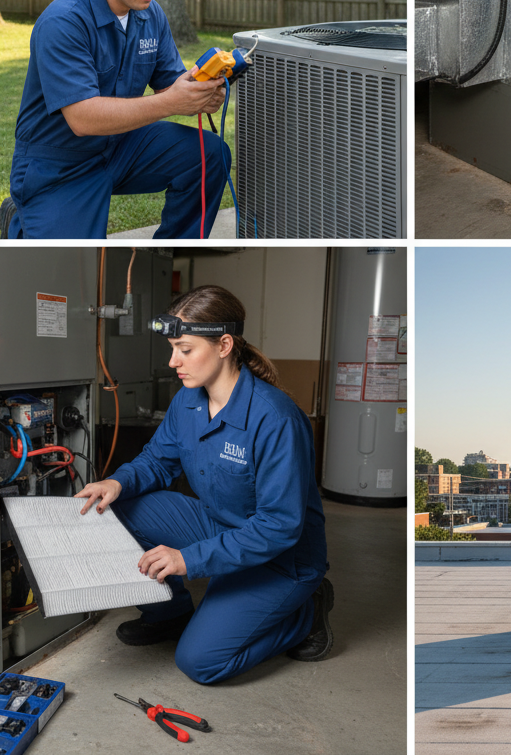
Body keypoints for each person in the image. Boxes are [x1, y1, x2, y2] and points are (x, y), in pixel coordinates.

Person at [74, 284, 332, 684]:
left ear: (224, 345)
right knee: (120, 505)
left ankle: (306, 615)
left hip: (281, 559)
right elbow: (158, 459)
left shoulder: (275, 419)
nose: (174, 361)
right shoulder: (188, 400)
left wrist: (188, 560)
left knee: (201, 662)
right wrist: (115, 481)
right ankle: (170, 611)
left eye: (185, 349)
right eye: (173, 348)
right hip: (219, 524)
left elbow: (279, 526)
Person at [1, 0, 230, 239]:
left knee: (211, 154)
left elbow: (170, 82)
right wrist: (171, 101)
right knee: (69, 261)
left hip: (124, 144)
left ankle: (174, 247)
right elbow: (83, 119)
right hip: (60, 162)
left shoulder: (151, 14)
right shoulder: (64, 20)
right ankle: (21, 216)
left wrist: (199, 93)